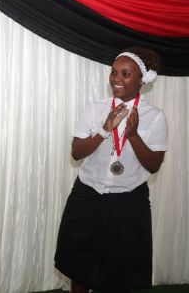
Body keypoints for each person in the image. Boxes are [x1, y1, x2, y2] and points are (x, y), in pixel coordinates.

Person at [55, 47, 167, 293]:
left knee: (121, 273)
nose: (116, 79)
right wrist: (105, 130)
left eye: (125, 74)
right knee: (81, 269)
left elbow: (154, 165)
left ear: (142, 80)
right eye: (114, 72)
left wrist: (134, 136)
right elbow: (76, 152)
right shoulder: (95, 108)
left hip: (128, 202)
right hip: (88, 197)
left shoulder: (155, 117)